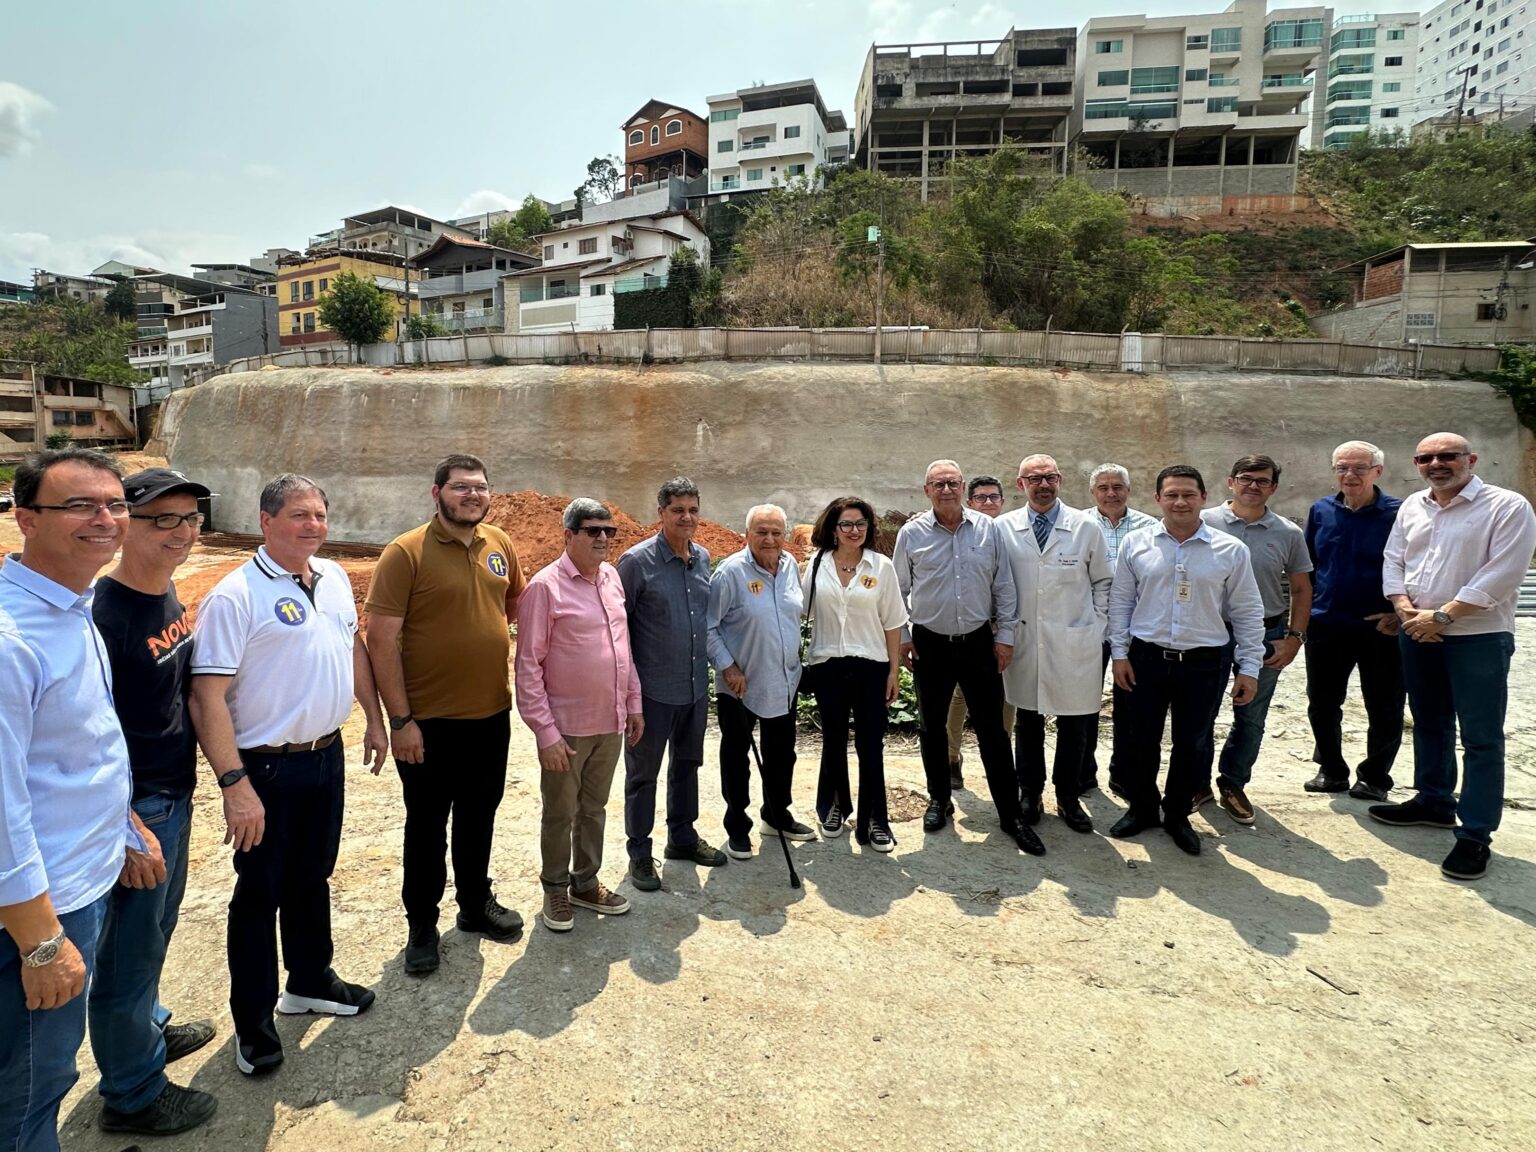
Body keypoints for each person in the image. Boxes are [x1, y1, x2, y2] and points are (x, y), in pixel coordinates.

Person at [190, 474, 388, 1077]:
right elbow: (207, 696)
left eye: (320, 516)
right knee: (258, 896)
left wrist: (372, 719)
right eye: (299, 515)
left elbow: (353, 649)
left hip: (325, 757)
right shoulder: (235, 594)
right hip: (266, 769)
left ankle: (309, 980)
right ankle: (254, 1024)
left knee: (313, 876)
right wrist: (234, 785)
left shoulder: (330, 580)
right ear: (266, 519)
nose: (312, 526)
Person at [1, 448, 164, 1152]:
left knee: (45, 1073)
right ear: (24, 519)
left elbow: (80, 749)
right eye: (80, 505)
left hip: (83, 876)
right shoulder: (11, 639)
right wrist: (40, 944)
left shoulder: (73, 608)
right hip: (42, 909)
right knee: (29, 1090)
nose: (106, 518)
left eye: (115, 504)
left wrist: (122, 824)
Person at [88, 468, 218, 1136]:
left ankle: (146, 1030)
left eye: (190, 519)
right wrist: (125, 823)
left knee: (156, 933)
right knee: (125, 955)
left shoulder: (165, 593)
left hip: (174, 793)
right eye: (163, 519)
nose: (181, 532)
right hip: (139, 807)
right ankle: (132, 1092)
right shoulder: (104, 617)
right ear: (124, 525)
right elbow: (82, 737)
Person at [365, 454, 527, 977]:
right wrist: (401, 720)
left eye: (480, 487)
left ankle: (475, 905)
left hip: (490, 715)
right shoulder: (404, 553)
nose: (473, 496)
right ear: (437, 494)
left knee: (480, 816)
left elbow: (514, 604)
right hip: (427, 724)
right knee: (427, 826)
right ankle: (421, 924)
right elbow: (381, 640)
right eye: (461, 488)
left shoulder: (499, 543)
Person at [1370, 433, 1536, 881]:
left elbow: (1504, 571)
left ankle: (1475, 835)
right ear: (1418, 464)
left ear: (1471, 459)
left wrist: (1443, 616)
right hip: (1417, 631)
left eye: (1448, 456)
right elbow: (1394, 559)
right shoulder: (1412, 506)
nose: (1437, 464)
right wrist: (1404, 608)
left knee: (1482, 738)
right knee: (1430, 721)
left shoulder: (1507, 506)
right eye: (1427, 458)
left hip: (1477, 636)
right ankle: (1434, 800)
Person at [1108, 465, 1264, 856]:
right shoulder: (1137, 544)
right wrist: (1119, 653)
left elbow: (1246, 610)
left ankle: (1176, 813)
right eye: (1172, 494)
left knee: (1192, 742)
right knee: (1140, 739)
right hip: (1146, 657)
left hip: (1205, 661)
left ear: (1204, 498)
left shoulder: (1230, 550)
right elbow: (1121, 601)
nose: (1180, 501)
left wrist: (1249, 667)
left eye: (1188, 494)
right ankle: (1142, 807)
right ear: (1158, 498)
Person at [893, 460, 1038, 854]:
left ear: (962, 487)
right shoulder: (912, 533)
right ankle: (939, 800)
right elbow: (897, 590)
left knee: (992, 730)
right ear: (926, 490)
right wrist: (904, 638)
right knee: (932, 727)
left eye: (953, 483)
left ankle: (1010, 814)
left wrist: (1005, 636)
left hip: (978, 642)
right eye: (938, 484)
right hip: (930, 644)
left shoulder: (987, 529)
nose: (946, 490)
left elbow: (1004, 585)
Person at [515, 499, 643, 931]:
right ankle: (555, 887)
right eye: (593, 531)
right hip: (566, 730)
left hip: (609, 722)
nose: (604, 538)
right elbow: (528, 666)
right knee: (560, 811)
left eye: (609, 531)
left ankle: (584, 883)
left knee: (594, 808)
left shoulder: (611, 579)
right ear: (568, 536)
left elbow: (623, 651)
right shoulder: (544, 588)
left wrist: (634, 704)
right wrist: (545, 733)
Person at [617, 477, 726, 894]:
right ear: (660, 513)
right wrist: (629, 698)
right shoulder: (635, 562)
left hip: (695, 687)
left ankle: (681, 837)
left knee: (687, 765)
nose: (687, 517)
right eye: (678, 509)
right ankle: (640, 853)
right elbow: (618, 631)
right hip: (650, 694)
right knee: (642, 775)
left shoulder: (702, 557)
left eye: (693, 509)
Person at [1194, 454, 1313, 824]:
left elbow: (1301, 587)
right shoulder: (1203, 521)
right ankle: (1197, 783)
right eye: (1246, 478)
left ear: (1273, 487)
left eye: (1262, 481)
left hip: (1266, 632)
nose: (1253, 486)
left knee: (1251, 715)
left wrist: (1294, 638)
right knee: (1200, 712)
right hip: (1209, 631)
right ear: (1230, 481)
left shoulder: (1288, 533)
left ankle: (1233, 782)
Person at [998, 455, 1113, 835]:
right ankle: (1029, 792)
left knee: (1075, 722)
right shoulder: (1003, 528)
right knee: (1027, 720)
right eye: (1034, 478)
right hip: (1026, 639)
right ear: (1021, 484)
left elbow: (1103, 582)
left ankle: (1068, 795)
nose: (1042, 485)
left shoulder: (1085, 526)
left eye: (1049, 477)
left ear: (1060, 480)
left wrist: (1095, 625)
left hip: (1075, 640)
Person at [801, 496, 908, 851]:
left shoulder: (881, 567)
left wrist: (893, 671)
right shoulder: (817, 566)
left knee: (870, 746)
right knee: (833, 741)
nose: (854, 530)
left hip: (871, 666)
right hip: (828, 665)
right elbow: (798, 612)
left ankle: (876, 819)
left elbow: (893, 622)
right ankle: (834, 807)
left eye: (860, 524)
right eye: (846, 524)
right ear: (833, 528)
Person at [708, 505, 812, 857]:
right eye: (761, 532)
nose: (769, 539)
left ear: (784, 536)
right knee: (737, 758)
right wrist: (727, 666)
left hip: (783, 680)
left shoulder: (789, 570)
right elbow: (708, 626)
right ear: (746, 535)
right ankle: (737, 824)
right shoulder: (730, 573)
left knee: (783, 754)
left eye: (776, 533)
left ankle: (776, 814)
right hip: (741, 684)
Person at [1302, 441, 1404, 801]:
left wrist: (1399, 612)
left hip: (1381, 628)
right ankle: (1331, 770)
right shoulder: (1321, 510)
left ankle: (1375, 777)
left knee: (1385, 705)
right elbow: (1310, 565)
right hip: (1327, 625)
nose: (1350, 475)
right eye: (1342, 468)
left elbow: (1419, 568)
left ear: (1378, 471)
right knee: (1322, 702)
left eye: (1359, 468)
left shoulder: (1400, 513)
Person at [1083, 463, 1159, 797]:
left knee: (1130, 708)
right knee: (1083, 704)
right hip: (1088, 628)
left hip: (1133, 630)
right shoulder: (1078, 524)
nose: (1111, 493)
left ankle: (1123, 775)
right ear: (1092, 492)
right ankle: (1083, 772)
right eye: (1103, 487)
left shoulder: (1150, 527)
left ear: (1129, 490)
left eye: (1118, 487)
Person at [943, 475, 1015, 791]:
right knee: (958, 697)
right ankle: (951, 758)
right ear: (969, 502)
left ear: (1002, 501)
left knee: (1008, 696)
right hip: (970, 631)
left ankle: (1002, 757)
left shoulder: (1011, 532)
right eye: (981, 497)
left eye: (994, 497)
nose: (988, 503)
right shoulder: (959, 531)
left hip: (1006, 629)